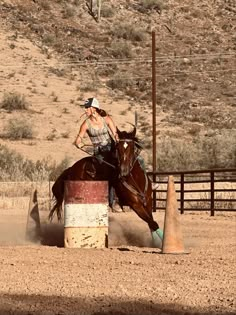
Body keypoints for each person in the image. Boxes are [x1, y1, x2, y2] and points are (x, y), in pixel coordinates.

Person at [73, 97, 122, 212]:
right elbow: (78, 140)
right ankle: (112, 202)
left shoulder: (107, 119)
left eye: (87, 108)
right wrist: (78, 144)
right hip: (98, 152)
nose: (85, 110)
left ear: (94, 108)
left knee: (130, 161)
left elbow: (116, 134)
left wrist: (118, 141)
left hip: (111, 148)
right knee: (109, 170)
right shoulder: (86, 124)